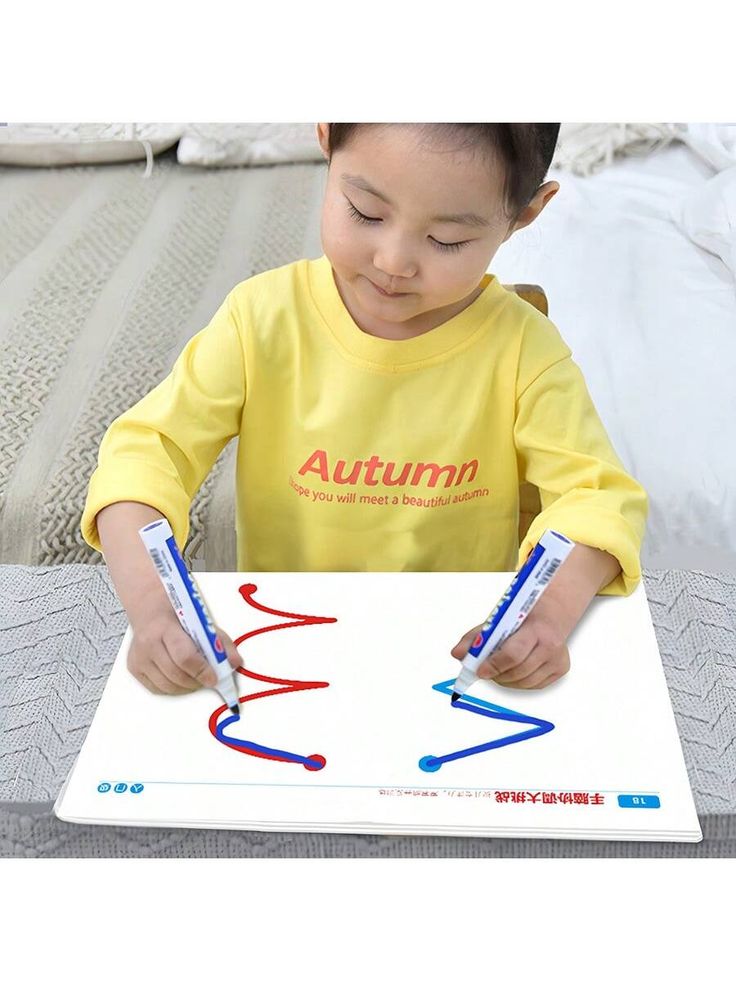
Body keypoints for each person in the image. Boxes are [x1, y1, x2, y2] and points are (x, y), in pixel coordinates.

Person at [81, 122, 648, 699]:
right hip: (287, 647)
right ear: (326, 139)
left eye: (448, 240)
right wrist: (154, 608)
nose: (394, 261)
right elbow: (144, 456)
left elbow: (596, 501)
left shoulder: (524, 349)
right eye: (366, 213)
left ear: (525, 214)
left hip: (452, 659)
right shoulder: (261, 320)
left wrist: (548, 615)